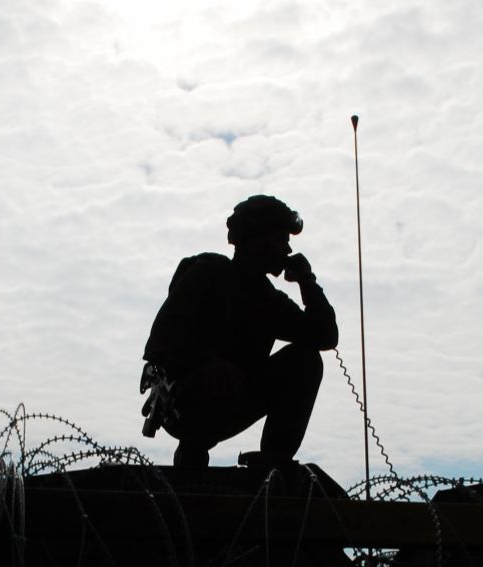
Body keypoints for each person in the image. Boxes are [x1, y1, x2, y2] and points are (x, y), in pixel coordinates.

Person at [141, 194, 339, 469]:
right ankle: (191, 453)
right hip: (184, 399)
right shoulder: (209, 272)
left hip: (236, 395)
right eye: (281, 239)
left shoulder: (270, 301)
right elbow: (162, 339)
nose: (288, 249)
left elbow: (325, 336)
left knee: (305, 360)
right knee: (212, 385)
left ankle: (275, 459)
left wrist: (307, 281)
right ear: (257, 239)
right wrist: (205, 361)